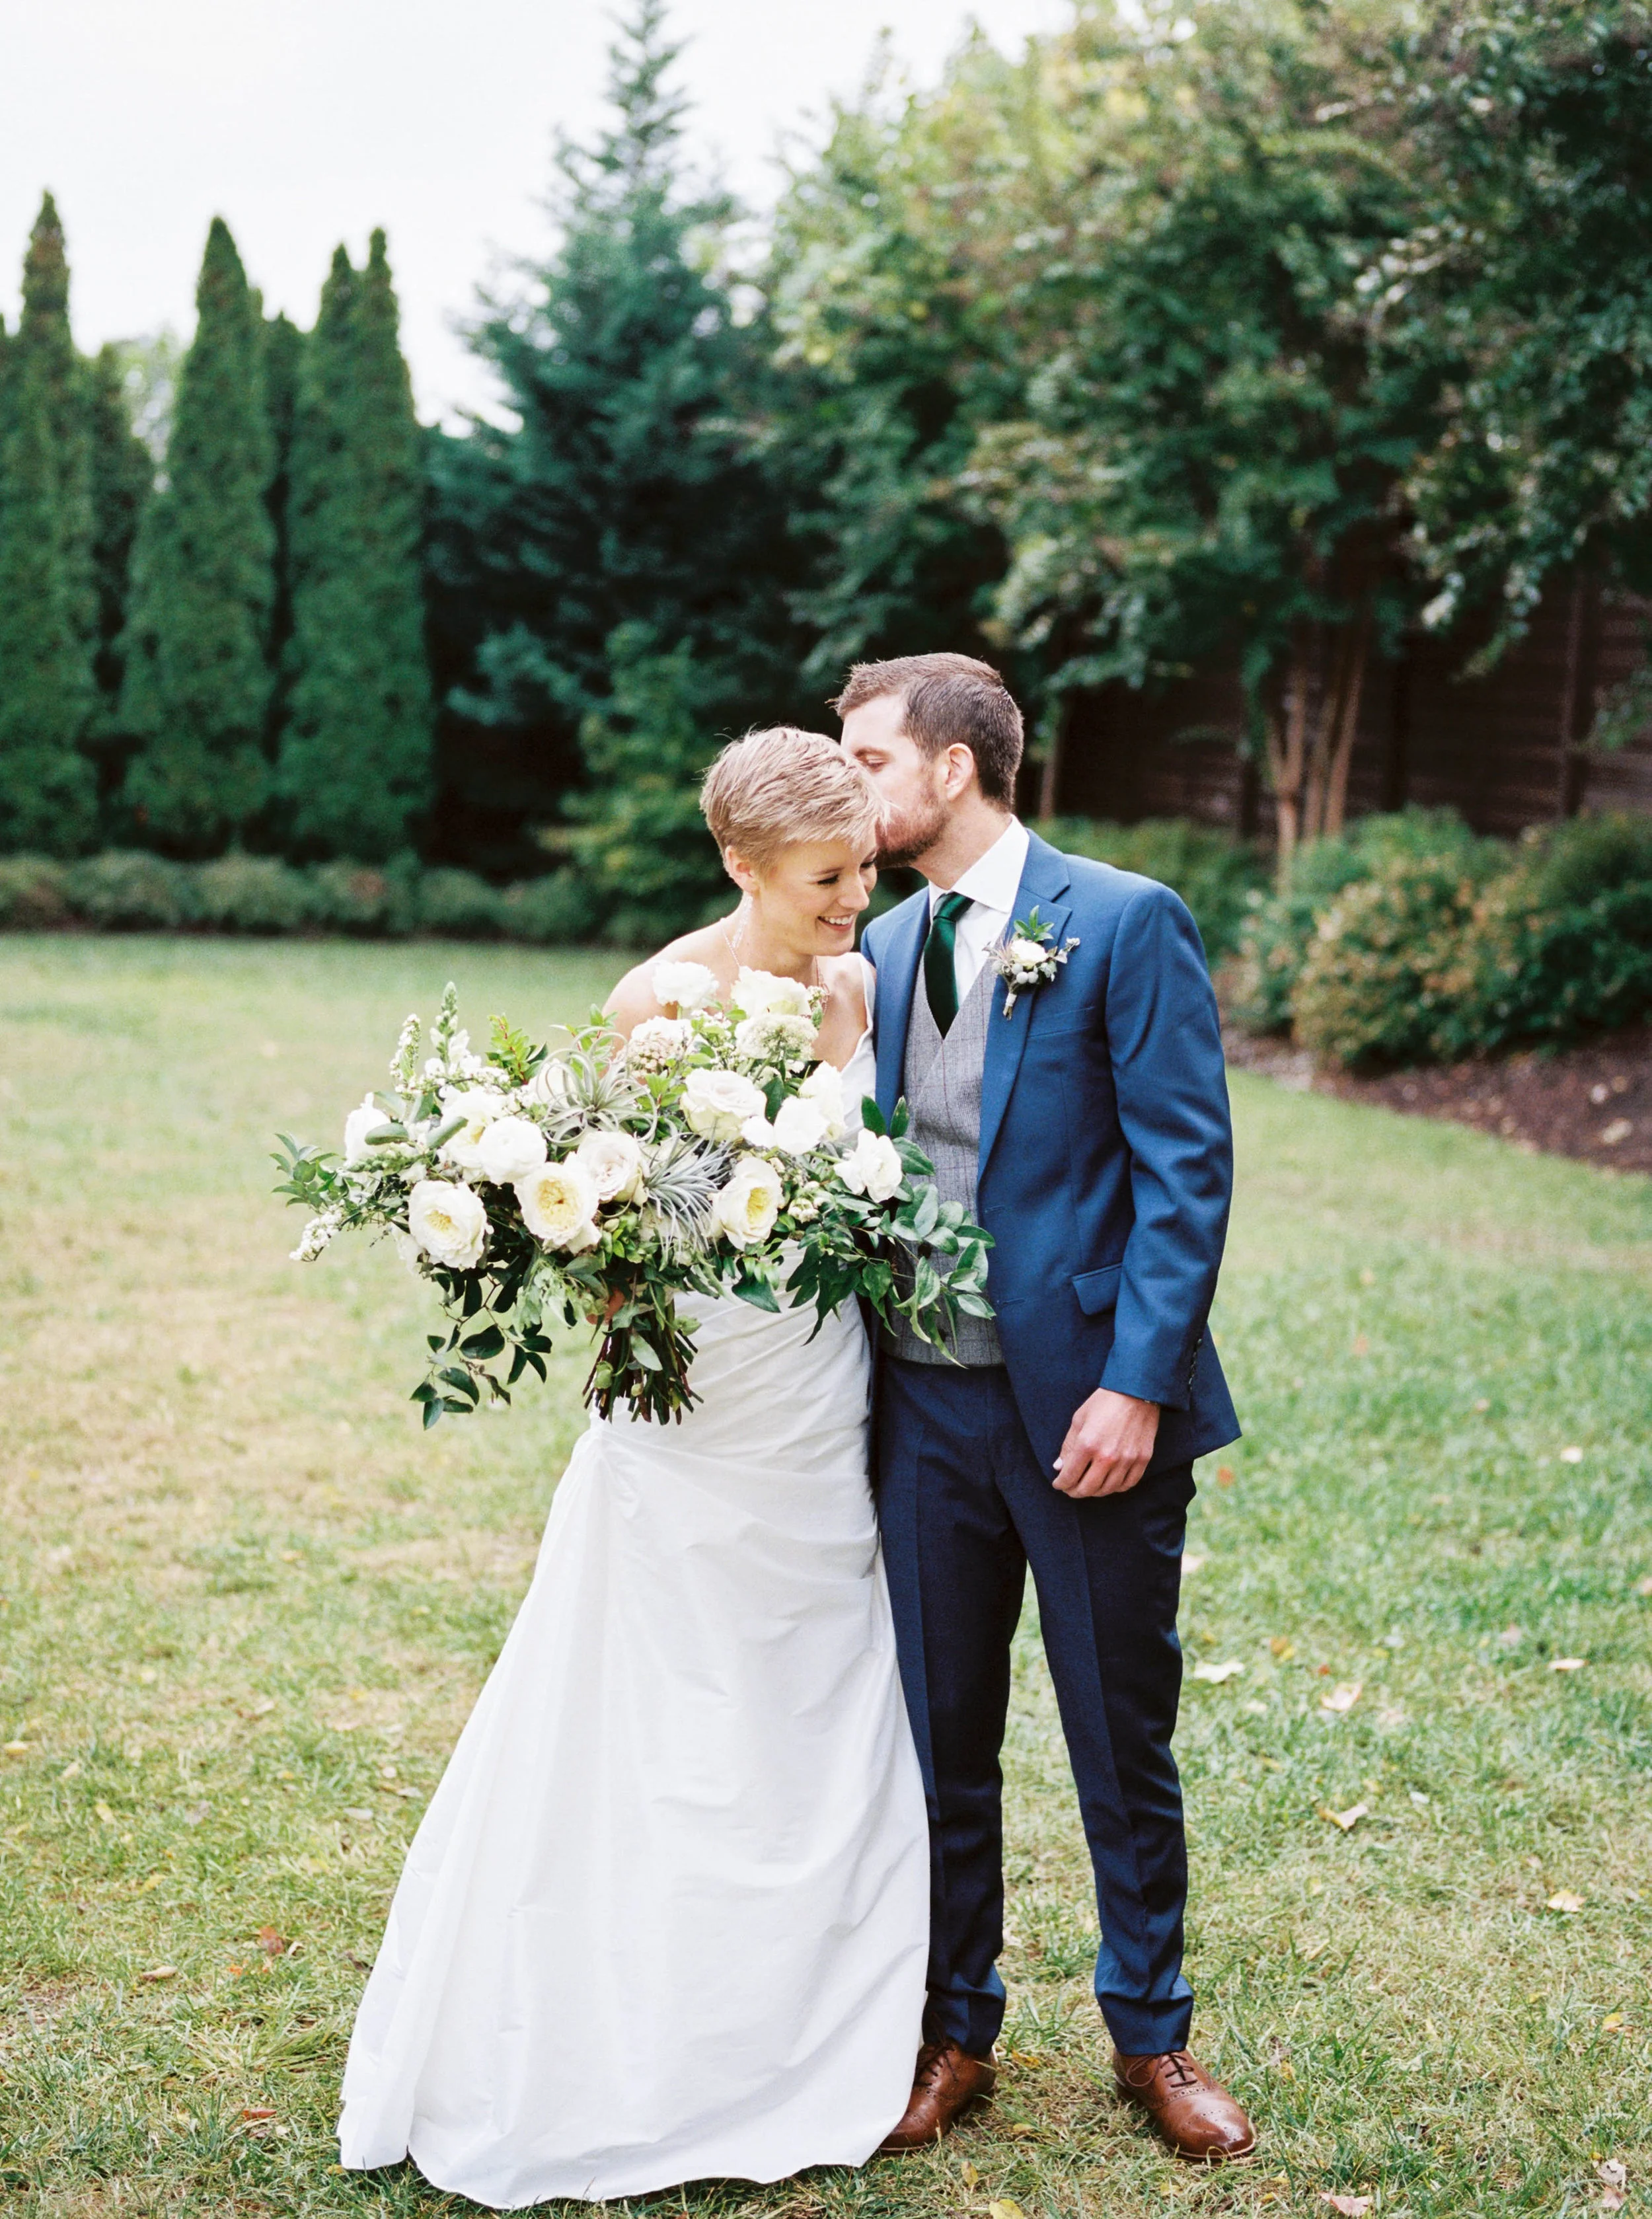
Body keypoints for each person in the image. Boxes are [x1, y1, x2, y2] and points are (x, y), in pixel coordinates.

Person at [336, 728, 929, 2208]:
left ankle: (801, 2014)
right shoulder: (660, 1000)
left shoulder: (856, 988)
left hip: (816, 1399)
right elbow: (598, 1227)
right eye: (820, 877)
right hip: (689, 1410)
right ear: (737, 864)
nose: (851, 899)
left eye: (862, 866)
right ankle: (623, 2028)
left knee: (808, 1687)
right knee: (656, 1690)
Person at [842, 654, 1257, 2165]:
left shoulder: (1122, 919)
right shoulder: (876, 945)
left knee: (1113, 1731)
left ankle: (1150, 2034)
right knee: (935, 1737)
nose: (856, 787)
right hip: (920, 1412)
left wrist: (1135, 1383)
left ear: (954, 767)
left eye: (873, 758)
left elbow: (1182, 1175)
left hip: (1086, 1413)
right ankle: (957, 2027)